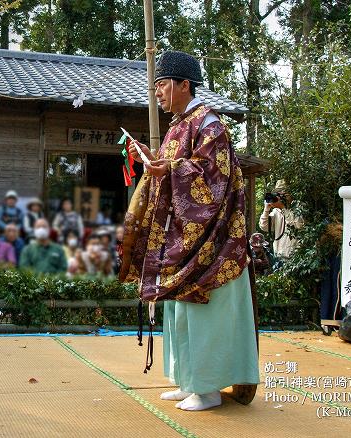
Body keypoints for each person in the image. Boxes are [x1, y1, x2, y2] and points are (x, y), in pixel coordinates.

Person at [121, 51, 259, 411]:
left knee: (205, 315)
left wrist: (168, 170)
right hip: (186, 237)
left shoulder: (210, 124)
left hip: (215, 242)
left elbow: (214, 180)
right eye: (156, 87)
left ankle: (210, 388)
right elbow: (177, 170)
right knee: (181, 314)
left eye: (163, 85)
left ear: (185, 85)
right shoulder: (181, 125)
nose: (158, 93)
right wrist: (156, 166)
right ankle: (190, 381)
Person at [259, 180, 303, 261]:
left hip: (294, 257)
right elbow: (264, 227)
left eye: (282, 193)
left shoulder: (297, 207)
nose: (279, 196)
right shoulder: (276, 211)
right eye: (278, 193)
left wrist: (283, 208)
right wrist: (266, 209)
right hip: (278, 256)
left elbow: (298, 225)